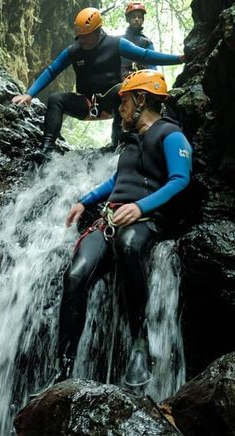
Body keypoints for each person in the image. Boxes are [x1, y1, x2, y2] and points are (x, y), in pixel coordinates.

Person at [56, 70, 192, 389]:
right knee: (74, 276)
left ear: (141, 99)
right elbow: (117, 181)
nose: (120, 110)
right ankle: (62, 369)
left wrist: (141, 207)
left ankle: (140, 350)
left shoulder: (171, 136)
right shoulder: (131, 144)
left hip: (145, 220)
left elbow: (181, 179)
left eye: (124, 102)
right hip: (111, 220)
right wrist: (83, 200)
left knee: (128, 245)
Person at [11, 7, 185, 161]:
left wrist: (178, 59)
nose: (82, 40)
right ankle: (46, 149)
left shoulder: (116, 44)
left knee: (122, 89)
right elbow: (52, 70)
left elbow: (146, 56)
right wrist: (29, 94)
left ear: (98, 31)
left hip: (113, 102)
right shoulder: (74, 50)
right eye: (80, 36)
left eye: (86, 36)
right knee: (56, 98)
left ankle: (117, 146)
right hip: (86, 103)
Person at [121, 2, 156, 78]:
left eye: (139, 17)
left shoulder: (147, 43)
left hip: (143, 80)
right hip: (122, 81)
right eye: (133, 17)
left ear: (143, 20)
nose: (137, 19)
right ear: (128, 19)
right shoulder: (119, 41)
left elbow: (152, 66)